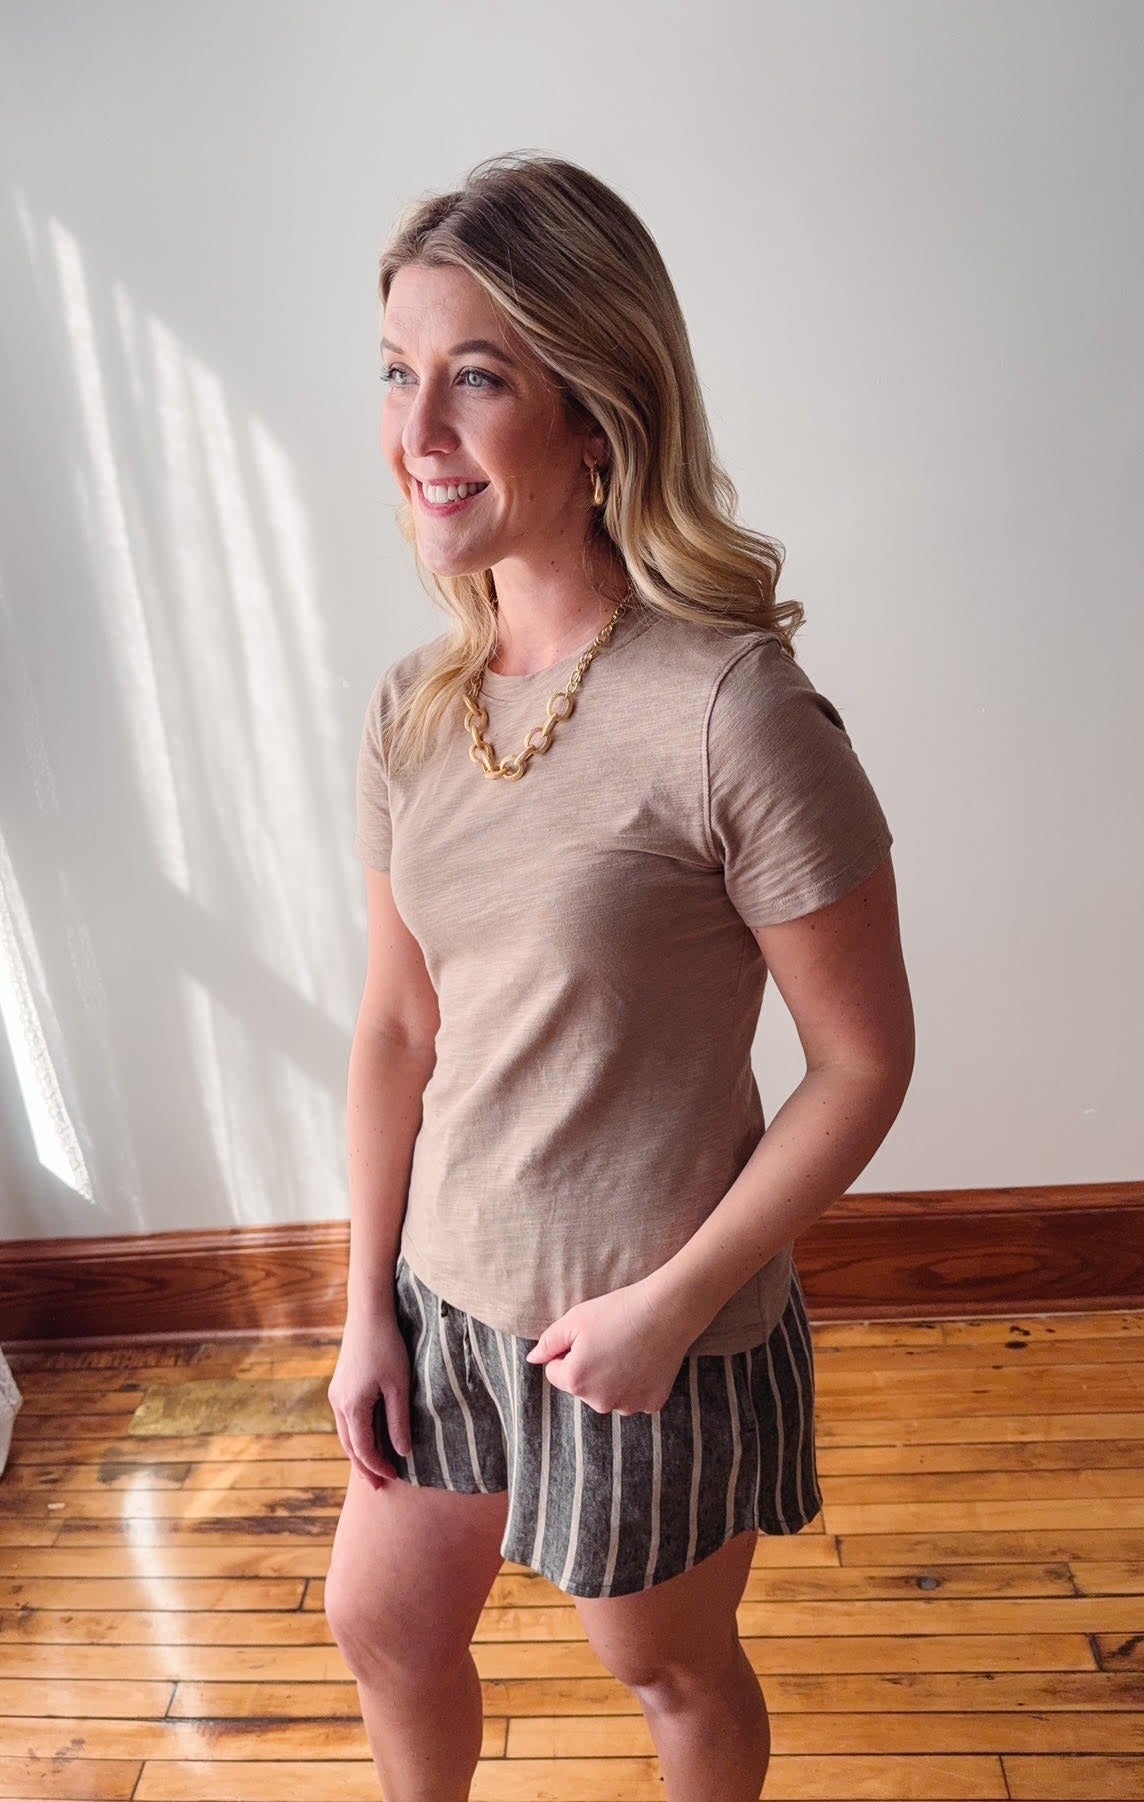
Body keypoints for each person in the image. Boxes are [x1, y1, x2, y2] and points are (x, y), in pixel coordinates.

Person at [325, 149, 915, 1802]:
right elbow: (395, 1024)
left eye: (476, 378)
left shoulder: (738, 713)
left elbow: (865, 1061)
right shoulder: (413, 709)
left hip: (647, 1324)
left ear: (594, 410)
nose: (415, 429)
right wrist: (363, 1300)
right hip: (446, 1294)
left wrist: (670, 1306)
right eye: (396, 370)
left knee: (661, 1665)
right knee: (379, 1620)